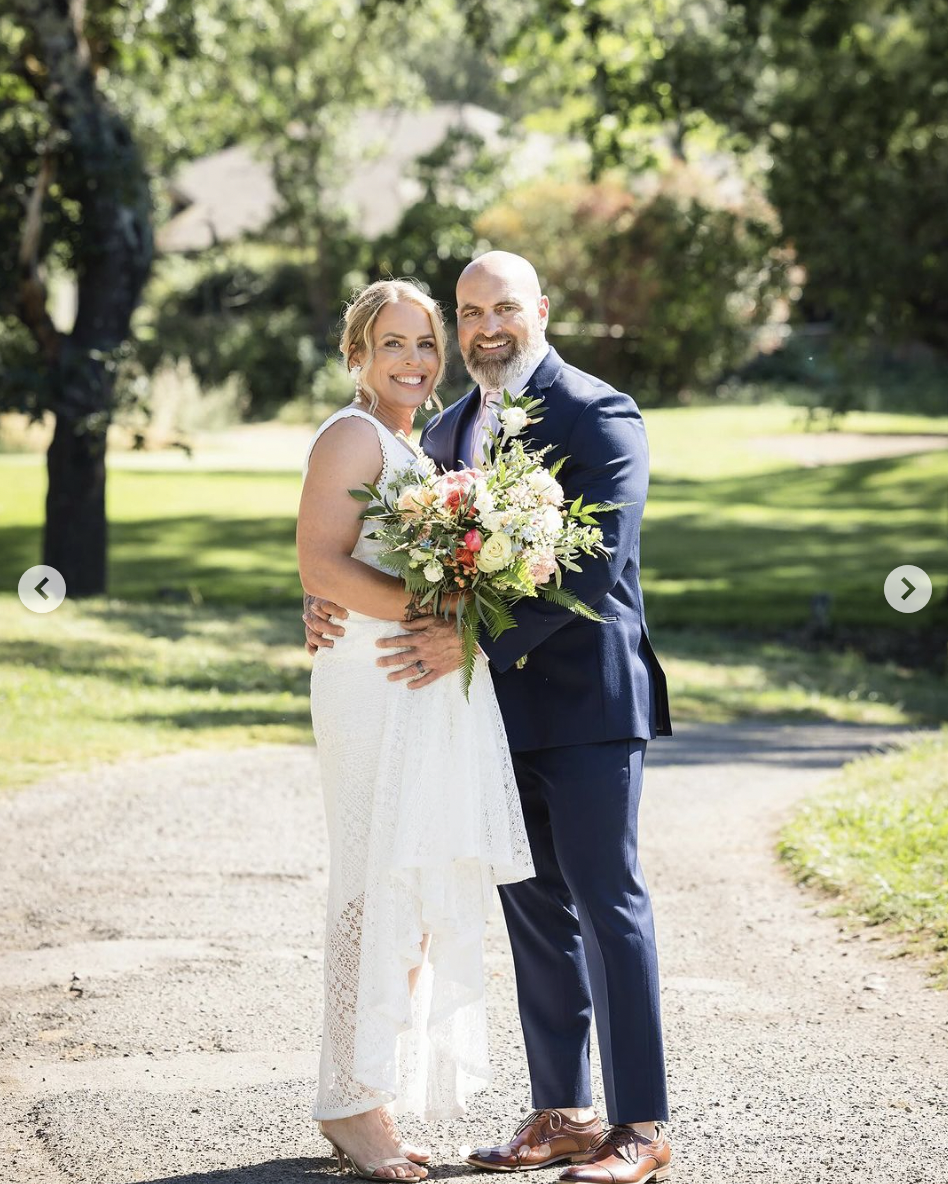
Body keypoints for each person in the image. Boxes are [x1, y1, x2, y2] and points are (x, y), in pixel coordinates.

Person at [306, 252, 674, 1184]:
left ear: (540, 310)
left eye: (503, 308)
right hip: (486, 717)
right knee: (531, 908)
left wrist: (464, 641)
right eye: (468, 313)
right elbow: (407, 556)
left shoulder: (602, 415)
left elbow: (589, 577)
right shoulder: (449, 429)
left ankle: (641, 1125)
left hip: (589, 706)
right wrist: (329, 602)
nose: (486, 328)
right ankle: (564, 1110)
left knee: (608, 904)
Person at [297, 278, 534, 1181]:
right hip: (371, 686)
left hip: (415, 685)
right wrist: (432, 609)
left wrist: (451, 612)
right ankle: (351, 1105)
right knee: (369, 887)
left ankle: (369, 1088)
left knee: (412, 897)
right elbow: (319, 559)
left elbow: (342, 561)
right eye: (392, 343)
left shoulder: (415, 444)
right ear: (357, 353)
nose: (413, 360)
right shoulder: (353, 434)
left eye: (425, 343)